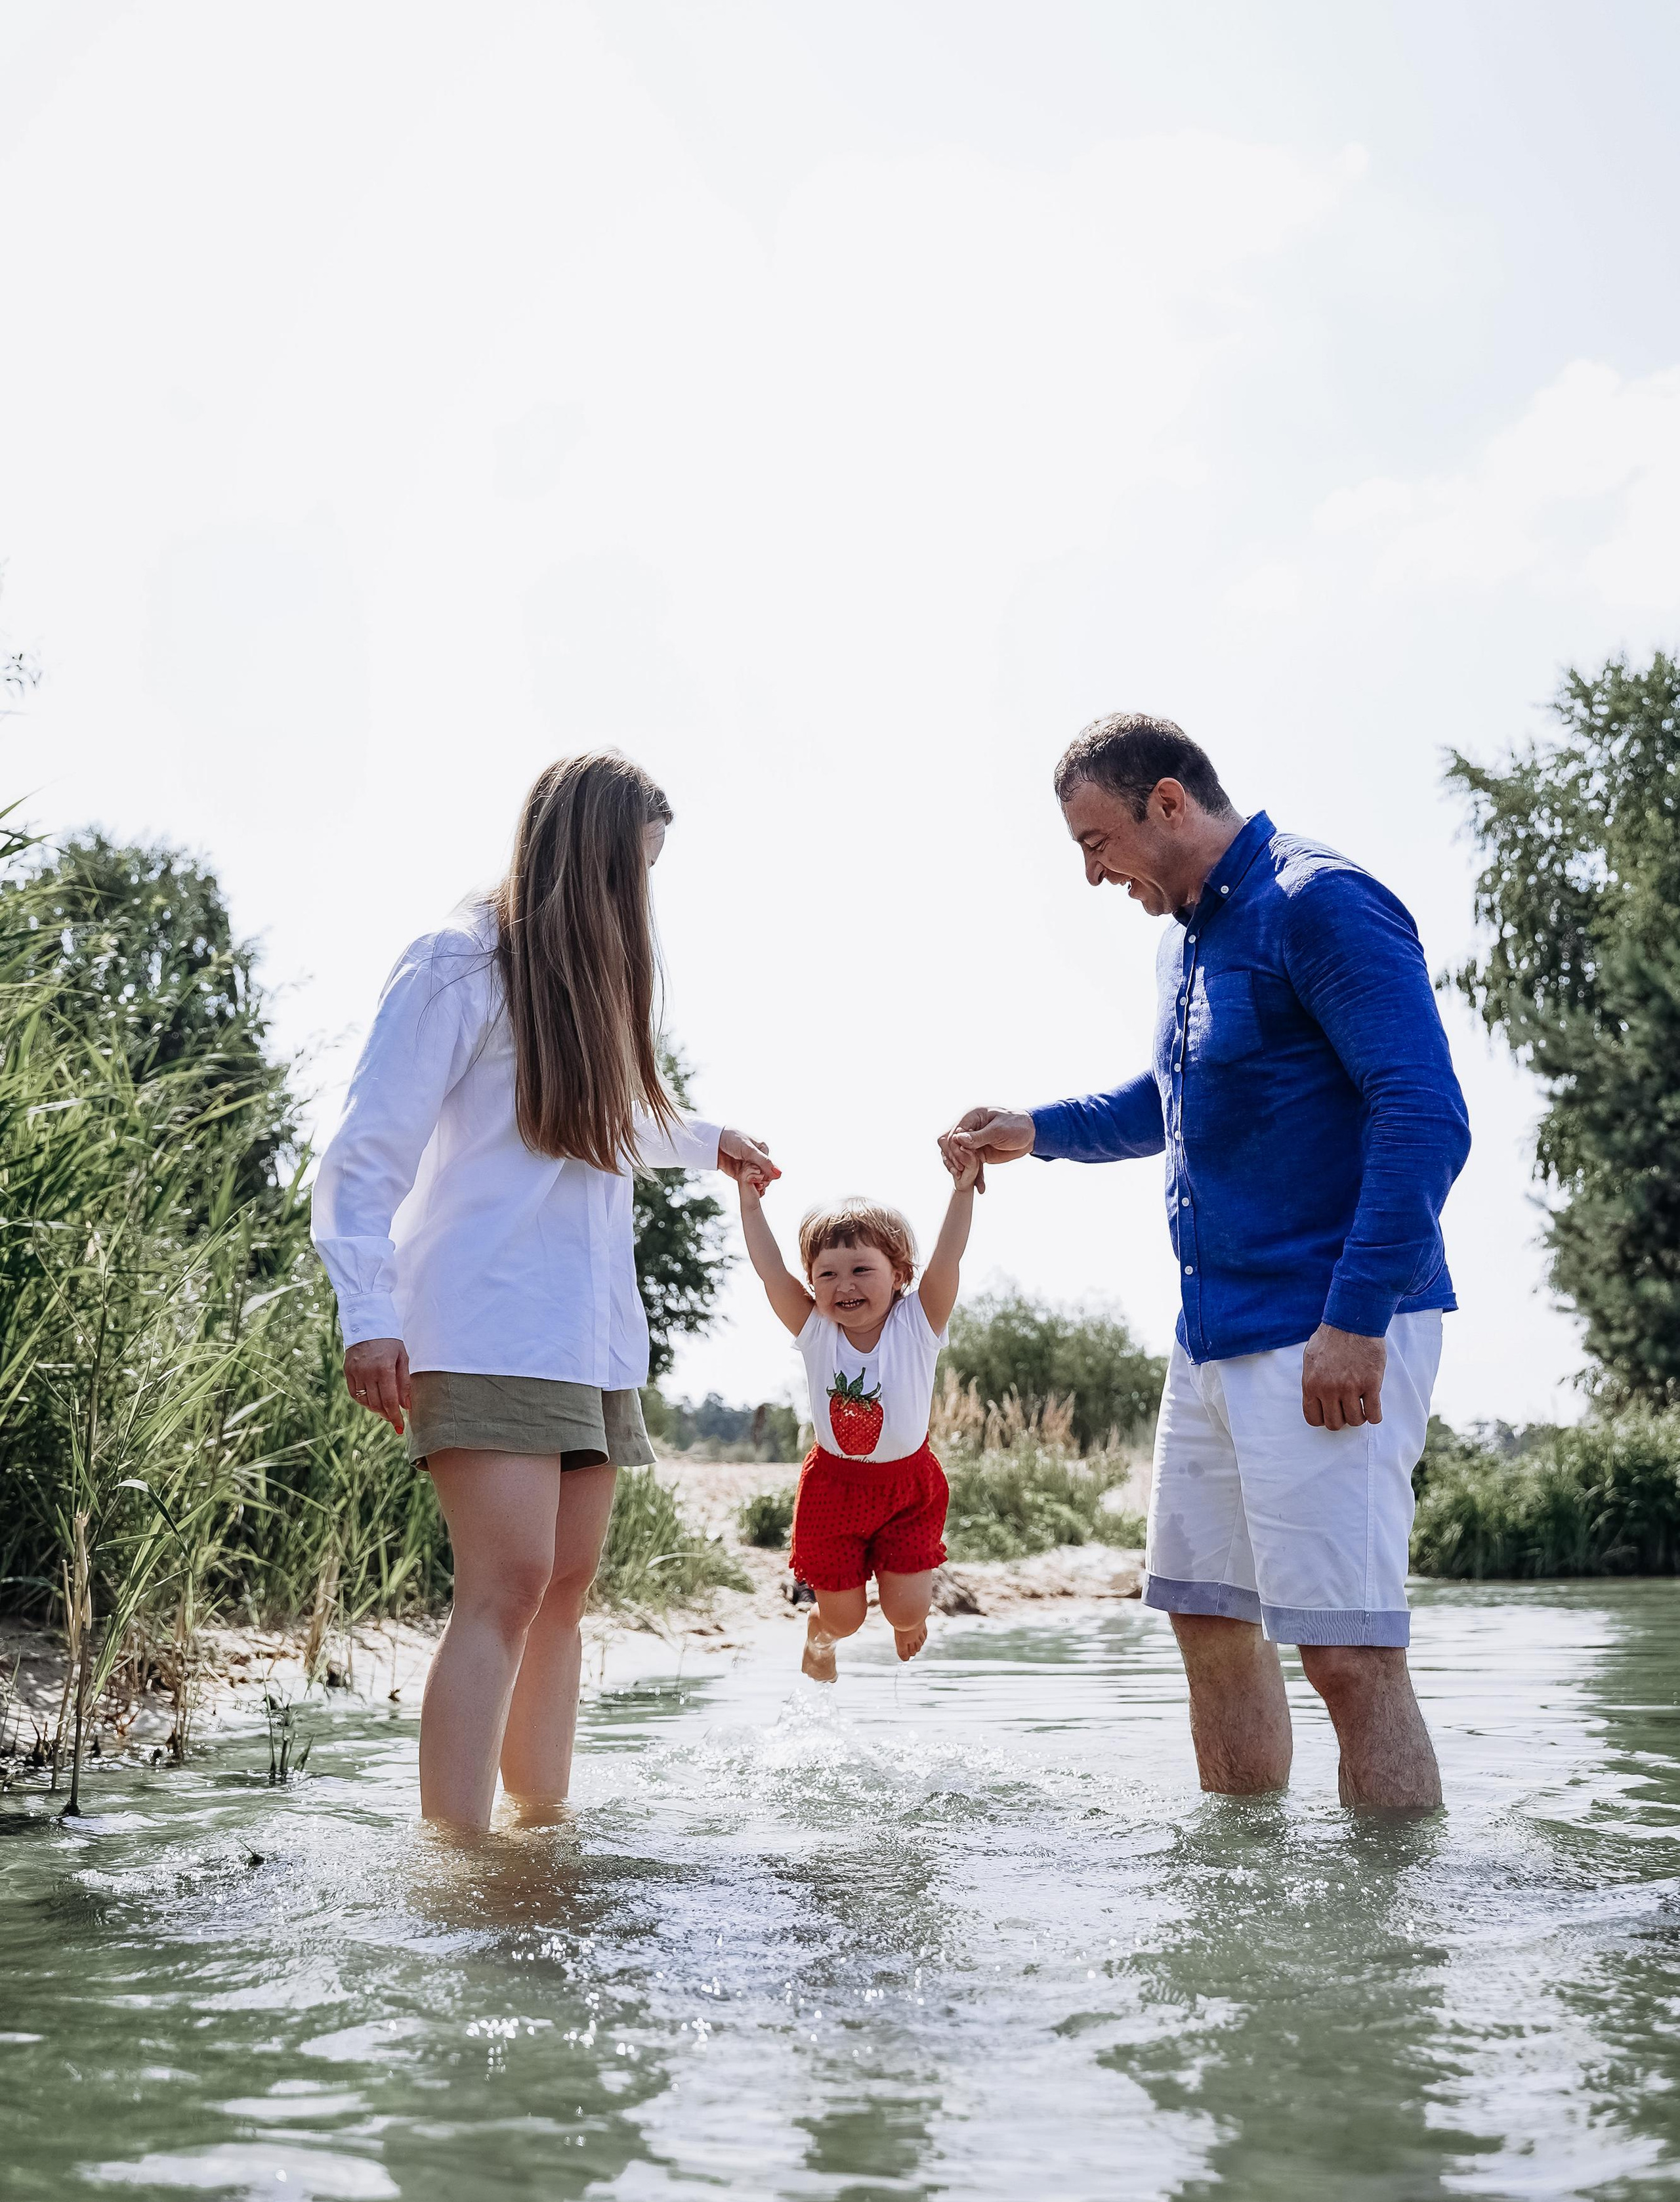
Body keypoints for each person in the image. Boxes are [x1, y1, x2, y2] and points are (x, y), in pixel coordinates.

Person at [941, 713, 1470, 1811]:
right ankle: (1245, 1912)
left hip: (1330, 1327)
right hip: (1213, 1337)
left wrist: (1356, 1318)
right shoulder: (1184, 941)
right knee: (1210, 1618)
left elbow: (1425, 1114)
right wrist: (1034, 1128)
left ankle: (1391, 1946)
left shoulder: (1321, 901)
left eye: (1098, 841)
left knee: (1345, 1650)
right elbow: (1170, 1103)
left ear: (1169, 802)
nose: (1092, 873)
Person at [312, 751, 776, 1831]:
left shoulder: (585, 983)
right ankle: (457, 1862)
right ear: (584, 854)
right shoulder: (456, 964)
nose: (640, 895)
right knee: (508, 1584)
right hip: (484, 1318)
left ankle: (539, 1837)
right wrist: (367, 1315)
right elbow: (362, 1154)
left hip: (589, 1332)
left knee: (564, 1589)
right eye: (633, 866)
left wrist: (708, 1141)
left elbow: (599, 1117)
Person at [736, 1160, 980, 1682]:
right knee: (845, 1619)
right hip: (835, 1490)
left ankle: (902, 1618)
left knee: (909, 1612)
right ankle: (819, 1632)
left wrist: (962, 1191)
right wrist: (750, 1203)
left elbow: (948, 1258)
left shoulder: (918, 1323)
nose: (844, 1285)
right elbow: (770, 1272)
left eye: (861, 1270)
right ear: (815, 1284)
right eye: (827, 1274)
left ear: (899, 1275)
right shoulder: (815, 1329)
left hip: (908, 1487)